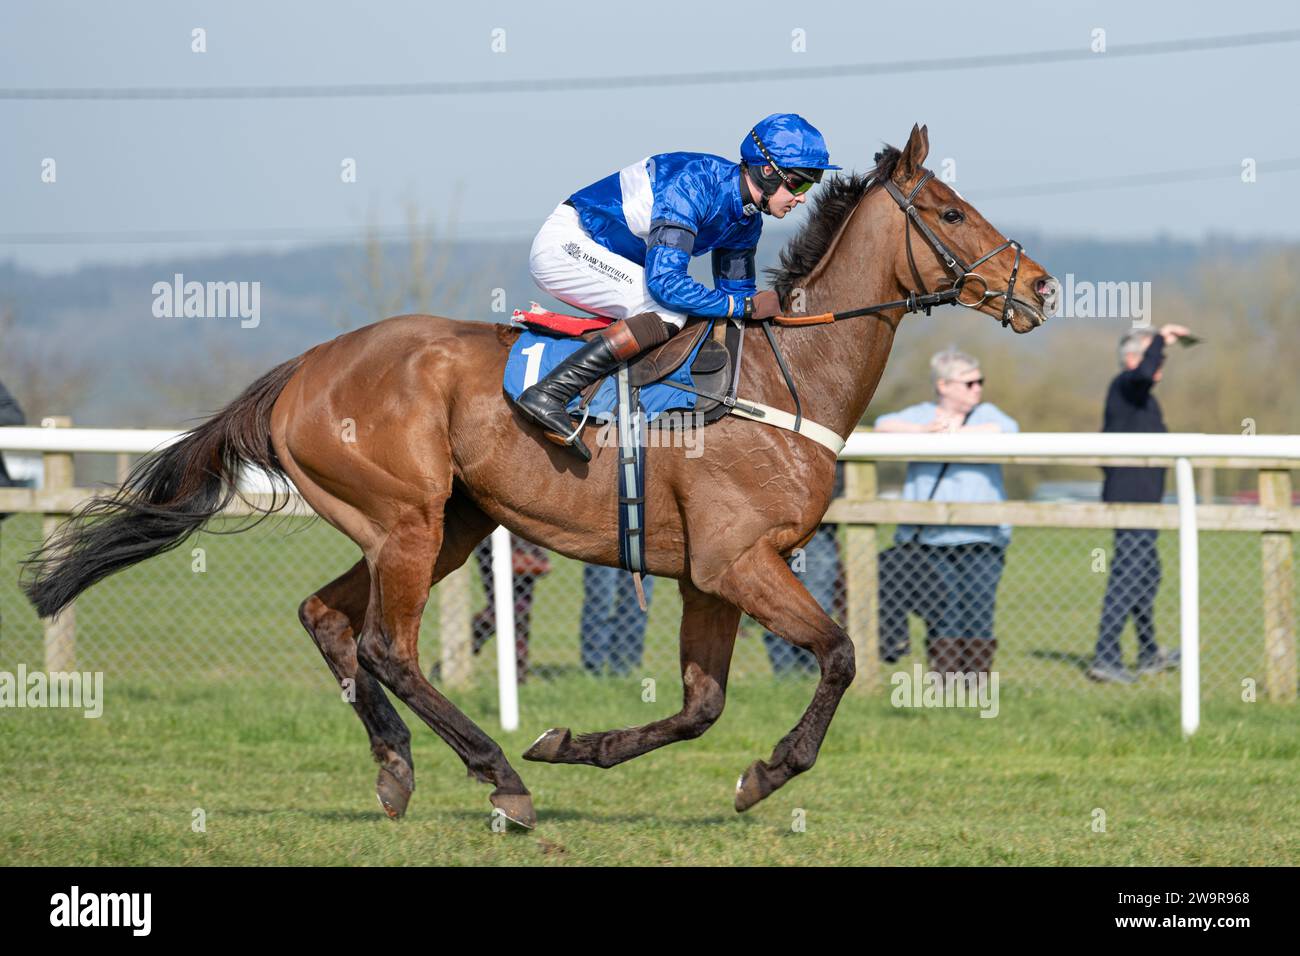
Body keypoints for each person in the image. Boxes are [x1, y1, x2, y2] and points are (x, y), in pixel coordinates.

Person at [513, 113, 839, 461]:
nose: (802, 198)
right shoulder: (695, 184)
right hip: (567, 246)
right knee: (666, 309)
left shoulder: (746, 221)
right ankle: (550, 393)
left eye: (810, 187)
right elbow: (666, 284)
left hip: (605, 254)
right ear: (768, 171)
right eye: (800, 184)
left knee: (694, 313)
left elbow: (737, 301)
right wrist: (743, 307)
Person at [874, 348, 1018, 681]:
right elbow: (883, 426)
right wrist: (924, 431)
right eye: (969, 383)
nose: (977, 388)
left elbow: (1007, 430)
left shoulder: (987, 415)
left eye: (980, 382)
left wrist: (952, 434)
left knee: (979, 612)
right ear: (944, 385)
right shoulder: (921, 414)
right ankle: (946, 682)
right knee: (943, 614)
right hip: (930, 540)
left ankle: (978, 683)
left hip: (982, 537)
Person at [1087, 324, 1190, 684]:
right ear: (1133, 358)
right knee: (1128, 576)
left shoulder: (1139, 397)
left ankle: (1148, 651)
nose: (1159, 365)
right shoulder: (1127, 384)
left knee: (1145, 576)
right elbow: (1145, 372)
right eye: (1152, 356)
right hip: (1131, 501)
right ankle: (1105, 656)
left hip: (1145, 501)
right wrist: (1162, 338)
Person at [762, 463, 845, 676]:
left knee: (816, 607)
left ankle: (811, 675)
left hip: (815, 534)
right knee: (774, 605)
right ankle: (785, 677)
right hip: (773, 534)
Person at [580, 565, 655, 676]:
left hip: (642, 549)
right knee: (600, 600)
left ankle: (625, 667)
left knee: (637, 605)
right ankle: (593, 668)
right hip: (603, 547)